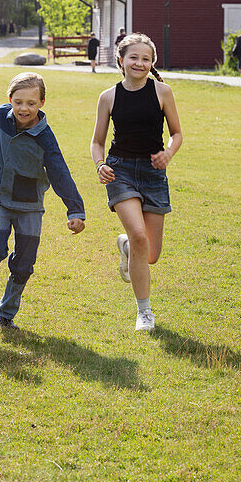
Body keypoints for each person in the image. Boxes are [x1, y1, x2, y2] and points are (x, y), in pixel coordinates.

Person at [0, 73, 86, 330]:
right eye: (18, 102)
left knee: (23, 265)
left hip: (30, 207)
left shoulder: (46, 138)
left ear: (42, 103)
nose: (24, 108)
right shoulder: (2, 115)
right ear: (10, 99)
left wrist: (75, 210)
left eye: (31, 103)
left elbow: (60, 173)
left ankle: (5, 315)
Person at [89, 33, 183, 332]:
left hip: (154, 174)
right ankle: (145, 313)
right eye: (134, 57)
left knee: (150, 255)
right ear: (121, 61)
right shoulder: (108, 97)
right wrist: (101, 164)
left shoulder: (163, 92)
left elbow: (177, 133)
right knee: (142, 237)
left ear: (151, 63)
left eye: (146, 58)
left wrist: (168, 153)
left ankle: (126, 246)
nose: (139, 63)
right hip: (121, 171)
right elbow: (97, 142)